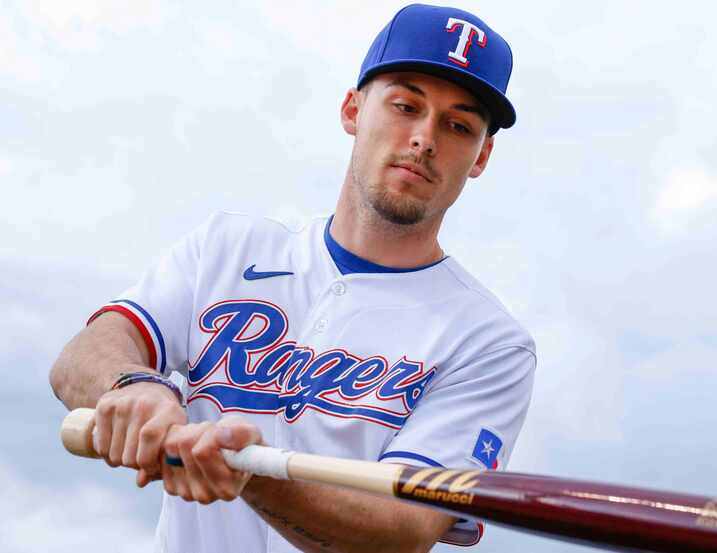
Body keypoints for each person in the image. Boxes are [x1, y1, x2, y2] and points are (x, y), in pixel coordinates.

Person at [50, 4, 536, 552]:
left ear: (481, 155)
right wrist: (137, 388)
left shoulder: (491, 343)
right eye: (405, 105)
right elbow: (81, 357)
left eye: (458, 125)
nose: (424, 138)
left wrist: (248, 473)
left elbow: (402, 532)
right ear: (352, 109)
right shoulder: (227, 248)